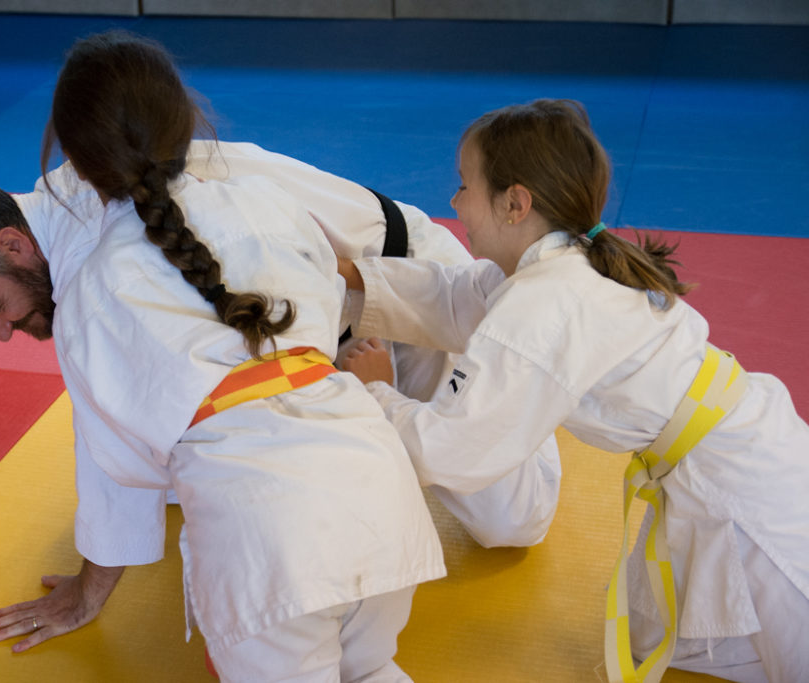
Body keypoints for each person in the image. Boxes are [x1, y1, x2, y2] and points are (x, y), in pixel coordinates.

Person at [0, 32, 448, 683]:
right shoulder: (253, 203)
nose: (4, 334)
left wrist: (89, 589)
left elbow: (116, 474)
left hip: (277, 532)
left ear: (13, 245)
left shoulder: (94, 286)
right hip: (381, 491)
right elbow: (318, 307)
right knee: (371, 666)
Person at [339, 98, 809, 683]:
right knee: (666, 638)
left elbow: (453, 449)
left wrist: (380, 393)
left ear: (516, 203)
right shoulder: (561, 265)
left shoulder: (547, 300)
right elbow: (461, 297)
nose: (454, 202)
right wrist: (356, 275)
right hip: (721, 456)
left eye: (464, 186)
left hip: (748, 487)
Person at [33, 138, 562, 549]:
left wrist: (371, 398)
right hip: (313, 331)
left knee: (514, 521)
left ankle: (509, 400)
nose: (2, 333)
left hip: (405, 283)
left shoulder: (150, 208)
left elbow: (100, 407)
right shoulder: (83, 217)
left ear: (10, 245)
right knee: (207, 480)